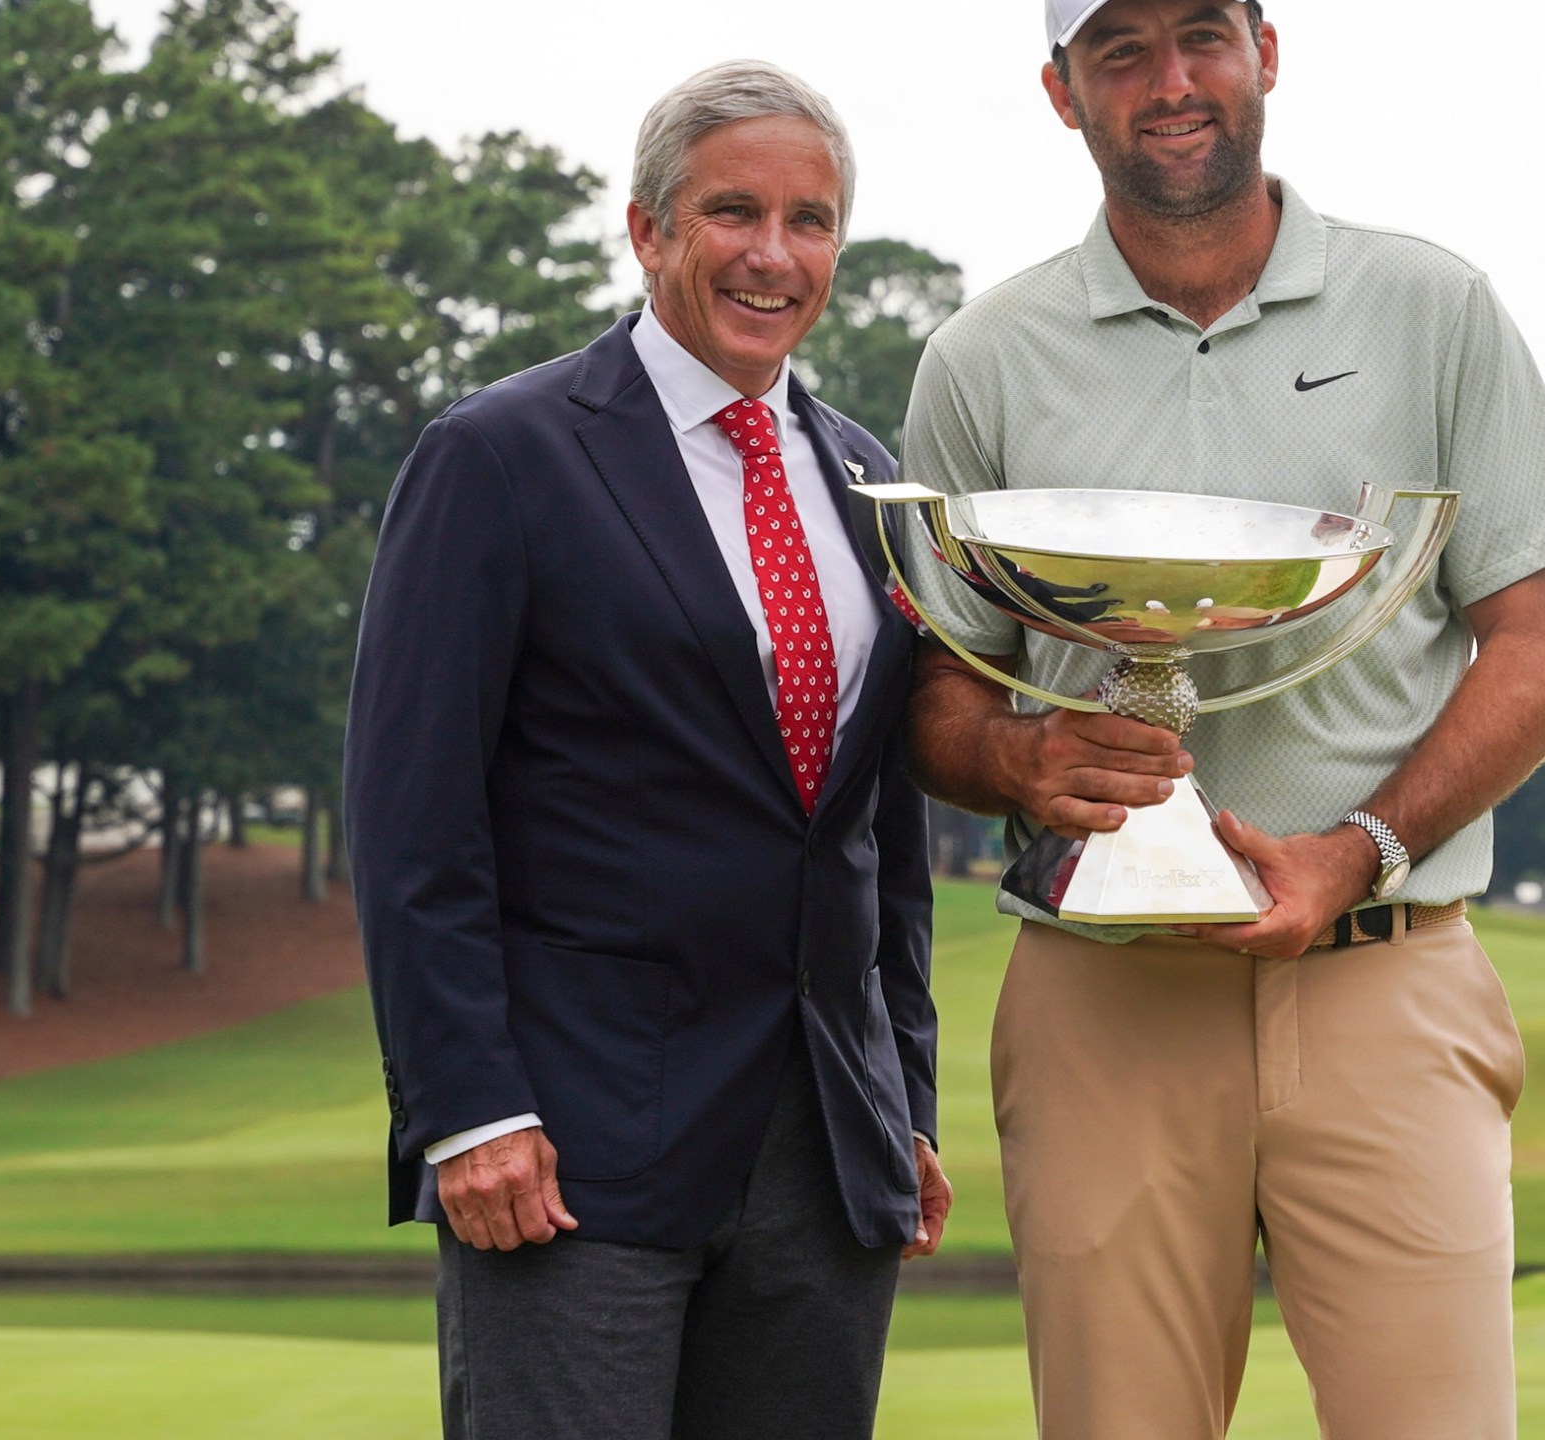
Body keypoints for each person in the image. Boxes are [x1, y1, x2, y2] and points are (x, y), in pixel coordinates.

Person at [899, 3, 1545, 1434]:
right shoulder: (984, 356)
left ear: (1267, 52)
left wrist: (1355, 851)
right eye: (1122, 50)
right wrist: (1025, 762)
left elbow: (1543, 653)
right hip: (1104, 1000)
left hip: (1386, 980)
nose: (1172, 83)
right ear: (1061, 91)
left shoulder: (1434, 307)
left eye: (1203, 35)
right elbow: (943, 695)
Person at [345, 61, 949, 1440]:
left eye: (810, 221)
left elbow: (882, 832)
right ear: (648, 230)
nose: (772, 254)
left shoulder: (871, 482)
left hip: (824, 1164)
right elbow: (411, 819)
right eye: (733, 211)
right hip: (572, 1152)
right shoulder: (500, 456)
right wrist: (465, 1110)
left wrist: (902, 1101)